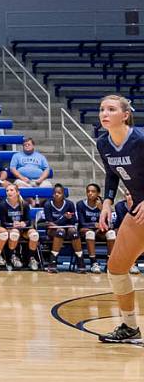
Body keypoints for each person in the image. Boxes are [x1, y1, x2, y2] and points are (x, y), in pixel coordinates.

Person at [95, 95, 144, 343]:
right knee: (116, 269)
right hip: (138, 210)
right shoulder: (103, 143)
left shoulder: (140, 139)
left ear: (125, 115)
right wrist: (107, 202)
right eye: (102, 109)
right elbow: (111, 175)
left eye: (111, 109)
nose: (105, 113)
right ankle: (130, 327)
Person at [41, 183, 82, 273]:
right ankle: (53, 261)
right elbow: (50, 223)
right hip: (52, 230)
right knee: (60, 231)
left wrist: (70, 218)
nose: (56, 194)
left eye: (59, 193)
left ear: (63, 194)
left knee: (74, 231)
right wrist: (63, 218)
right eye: (55, 192)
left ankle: (80, 260)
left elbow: (74, 221)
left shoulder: (69, 204)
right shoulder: (48, 204)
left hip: (67, 229)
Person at [0, 183, 39, 272]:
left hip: (23, 229)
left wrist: (23, 223)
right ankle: (12, 257)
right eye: (7, 190)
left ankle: (31, 258)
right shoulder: (2, 205)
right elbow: (2, 222)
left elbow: (29, 220)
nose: (9, 192)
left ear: (17, 192)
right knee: (14, 233)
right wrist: (12, 225)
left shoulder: (24, 204)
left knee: (34, 235)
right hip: (10, 229)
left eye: (11, 190)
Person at [77, 183, 108, 274]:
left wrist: (102, 209)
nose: (90, 193)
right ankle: (94, 263)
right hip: (85, 231)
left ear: (98, 193)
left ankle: (109, 263)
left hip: (99, 231)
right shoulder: (80, 204)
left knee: (111, 233)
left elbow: (109, 223)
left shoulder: (104, 205)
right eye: (88, 191)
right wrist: (94, 225)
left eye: (93, 191)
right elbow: (82, 223)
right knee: (90, 233)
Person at [111, 192, 142, 275]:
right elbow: (123, 221)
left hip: (136, 228)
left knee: (136, 236)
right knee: (131, 236)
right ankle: (132, 264)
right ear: (124, 197)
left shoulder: (141, 205)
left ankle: (132, 263)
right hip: (120, 228)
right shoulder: (119, 206)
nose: (130, 197)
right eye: (127, 195)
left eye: (132, 194)